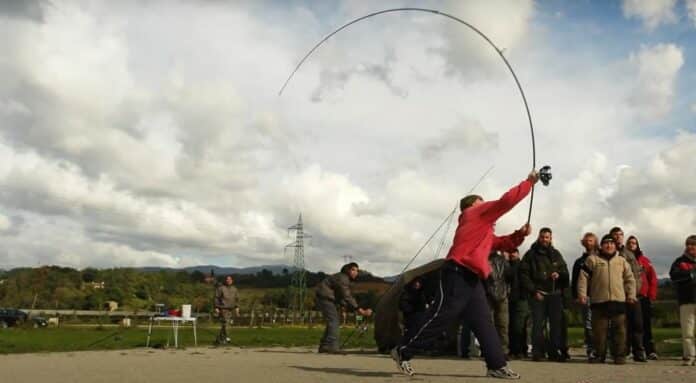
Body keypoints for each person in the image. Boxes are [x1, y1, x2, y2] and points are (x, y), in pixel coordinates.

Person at [391, 170, 540, 379]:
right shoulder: (474, 214)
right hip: (457, 272)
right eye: (482, 201)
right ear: (472, 205)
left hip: (472, 279)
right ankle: (403, 350)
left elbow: (501, 243)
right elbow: (504, 202)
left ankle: (496, 365)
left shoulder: (483, 229)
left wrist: (519, 235)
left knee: (483, 322)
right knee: (441, 316)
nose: (485, 204)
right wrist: (529, 182)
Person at [577, 234, 636, 364]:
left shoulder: (621, 261)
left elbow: (630, 279)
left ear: (615, 246)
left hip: (619, 301)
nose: (609, 245)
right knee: (599, 332)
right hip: (599, 301)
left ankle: (619, 356)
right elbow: (583, 278)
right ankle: (599, 355)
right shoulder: (592, 260)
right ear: (601, 245)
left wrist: (631, 295)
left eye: (611, 243)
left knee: (620, 331)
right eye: (606, 243)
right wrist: (582, 294)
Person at [519, 227, 569, 362]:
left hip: (554, 294)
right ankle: (538, 352)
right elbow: (523, 275)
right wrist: (533, 291)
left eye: (547, 237)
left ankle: (554, 352)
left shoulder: (557, 254)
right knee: (537, 325)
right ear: (538, 237)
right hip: (538, 294)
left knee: (556, 325)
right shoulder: (530, 254)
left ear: (551, 238)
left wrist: (559, 274)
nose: (544, 239)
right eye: (542, 237)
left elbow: (565, 273)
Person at [315, 262, 373, 353]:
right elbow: (346, 296)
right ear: (347, 270)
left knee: (332, 321)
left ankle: (325, 346)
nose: (356, 272)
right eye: (353, 270)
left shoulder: (343, 278)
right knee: (334, 321)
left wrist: (344, 307)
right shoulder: (343, 278)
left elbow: (341, 297)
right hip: (325, 298)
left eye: (357, 270)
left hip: (326, 298)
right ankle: (331, 346)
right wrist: (359, 309)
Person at [610, 227, 647, 362]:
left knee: (637, 324)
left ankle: (639, 351)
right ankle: (621, 352)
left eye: (621, 234)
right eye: (616, 234)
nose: (619, 237)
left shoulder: (629, 253)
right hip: (616, 295)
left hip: (632, 294)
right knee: (619, 325)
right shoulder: (608, 252)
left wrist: (634, 292)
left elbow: (637, 275)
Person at [627, 235, 659, 360]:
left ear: (637, 245)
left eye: (634, 243)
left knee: (645, 324)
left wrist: (651, 294)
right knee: (631, 324)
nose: (631, 245)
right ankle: (631, 349)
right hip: (629, 296)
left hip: (644, 296)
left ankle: (650, 350)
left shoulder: (645, 260)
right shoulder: (623, 258)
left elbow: (653, 279)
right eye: (629, 243)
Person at [668, 235, 696, 366]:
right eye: (688, 244)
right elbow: (673, 275)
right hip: (687, 301)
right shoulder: (679, 261)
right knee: (688, 331)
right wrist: (690, 274)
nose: (690, 247)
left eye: (693, 244)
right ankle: (689, 356)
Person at [572, 232, 599, 359]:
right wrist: (575, 296)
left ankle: (603, 348)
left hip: (601, 295)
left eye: (591, 240)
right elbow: (575, 279)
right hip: (585, 296)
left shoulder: (601, 259)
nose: (589, 243)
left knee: (603, 323)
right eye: (586, 240)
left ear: (595, 242)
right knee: (588, 324)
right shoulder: (579, 262)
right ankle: (591, 348)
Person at [507, 248, 529, 359]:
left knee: (519, 325)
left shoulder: (522, 265)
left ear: (518, 254)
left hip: (521, 298)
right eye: (510, 252)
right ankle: (513, 349)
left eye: (513, 252)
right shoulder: (506, 265)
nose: (511, 254)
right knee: (511, 325)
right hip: (509, 299)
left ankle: (521, 350)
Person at [399, 277, 428, 342]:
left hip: (420, 317)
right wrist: (411, 311)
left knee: (419, 332)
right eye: (416, 283)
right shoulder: (407, 293)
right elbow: (403, 304)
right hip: (411, 317)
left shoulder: (421, 293)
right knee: (410, 333)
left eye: (419, 283)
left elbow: (423, 305)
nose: (417, 284)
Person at [214, 275, 239, 345]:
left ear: (232, 280)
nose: (228, 280)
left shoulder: (235, 289)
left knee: (224, 324)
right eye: (227, 279)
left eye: (230, 279)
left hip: (231, 308)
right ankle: (227, 337)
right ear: (225, 280)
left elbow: (236, 299)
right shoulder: (221, 288)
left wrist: (237, 308)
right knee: (226, 322)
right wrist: (216, 307)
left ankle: (219, 338)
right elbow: (216, 298)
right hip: (223, 308)